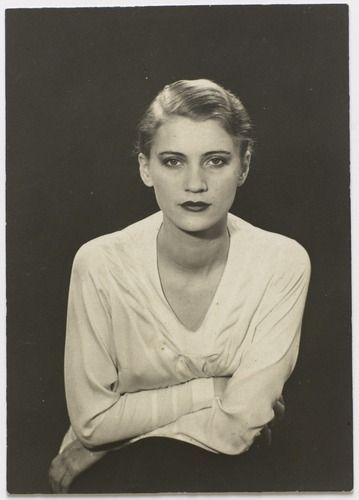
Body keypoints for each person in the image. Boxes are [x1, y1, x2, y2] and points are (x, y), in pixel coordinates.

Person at [48, 79, 311, 493]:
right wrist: (214, 389)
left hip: (220, 476)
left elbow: (236, 430)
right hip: (111, 484)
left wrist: (107, 445)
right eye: (173, 161)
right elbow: (91, 422)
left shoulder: (281, 262)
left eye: (216, 161)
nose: (195, 184)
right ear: (144, 167)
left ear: (243, 166)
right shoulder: (99, 263)